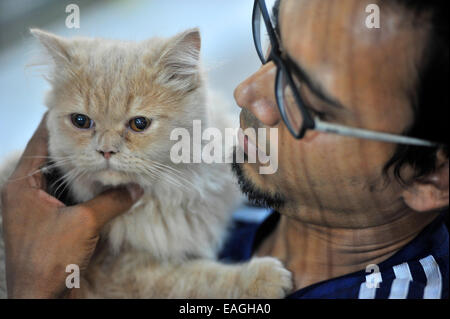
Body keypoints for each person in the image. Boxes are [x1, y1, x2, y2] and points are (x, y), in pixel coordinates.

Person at [1, 0, 448, 299]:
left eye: (306, 100)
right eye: (272, 51)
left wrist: (31, 285)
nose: (245, 92)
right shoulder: (262, 192)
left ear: (430, 177)